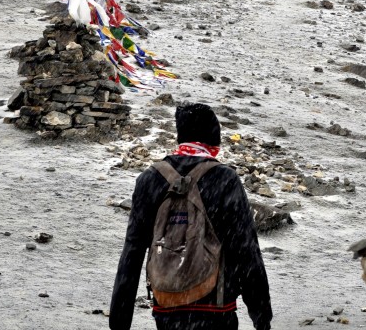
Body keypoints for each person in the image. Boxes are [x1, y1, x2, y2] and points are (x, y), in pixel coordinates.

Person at [110, 103, 273, 330]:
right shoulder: (225, 179)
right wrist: (261, 315)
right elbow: (246, 249)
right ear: (214, 138)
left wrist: (119, 320)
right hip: (216, 309)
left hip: (167, 306)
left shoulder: (150, 179)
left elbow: (132, 252)